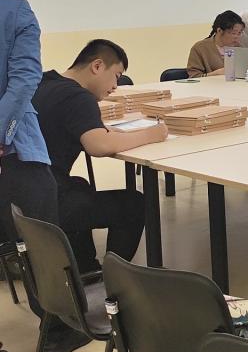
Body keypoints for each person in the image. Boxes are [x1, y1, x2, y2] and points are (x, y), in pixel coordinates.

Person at [0, 0, 82, 352]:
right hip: (16, 152)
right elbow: (23, 80)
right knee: (41, 242)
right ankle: (57, 330)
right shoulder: (16, 12)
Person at [33, 39, 168, 276]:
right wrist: (152, 134)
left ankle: (84, 266)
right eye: (116, 76)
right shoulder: (79, 97)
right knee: (133, 204)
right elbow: (99, 146)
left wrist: (109, 131)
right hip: (46, 201)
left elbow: (73, 126)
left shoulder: (44, 82)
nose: (115, 86)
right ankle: (116, 277)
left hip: (20, 192)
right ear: (97, 66)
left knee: (79, 185)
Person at [187, 11, 248, 78]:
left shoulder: (239, 47)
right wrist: (215, 74)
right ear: (219, 31)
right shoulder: (200, 48)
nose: (237, 37)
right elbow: (194, 77)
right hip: (210, 84)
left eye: (239, 33)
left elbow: (242, 73)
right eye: (233, 33)